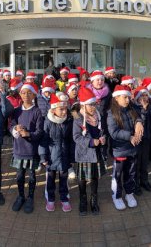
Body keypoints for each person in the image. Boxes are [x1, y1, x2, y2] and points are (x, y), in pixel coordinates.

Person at [108, 85, 143, 210]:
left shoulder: (131, 108)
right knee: (117, 175)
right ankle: (116, 196)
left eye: (129, 97)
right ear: (116, 98)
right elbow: (114, 132)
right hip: (120, 150)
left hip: (132, 149)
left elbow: (138, 115)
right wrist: (130, 136)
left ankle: (129, 194)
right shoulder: (111, 113)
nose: (128, 100)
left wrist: (139, 122)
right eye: (125, 97)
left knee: (131, 173)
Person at [73, 87, 107, 216]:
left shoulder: (99, 116)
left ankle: (94, 199)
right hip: (84, 154)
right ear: (83, 105)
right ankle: (83, 199)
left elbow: (103, 131)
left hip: (96, 154)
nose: (93, 107)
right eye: (90, 105)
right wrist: (92, 142)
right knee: (82, 178)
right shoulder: (78, 119)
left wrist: (103, 139)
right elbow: (76, 137)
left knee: (94, 178)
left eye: (94, 104)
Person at [10, 83, 43, 213]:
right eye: (23, 93)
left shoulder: (37, 111)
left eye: (29, 93)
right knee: (19, 176)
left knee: (32, 176)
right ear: (20, 94)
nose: (26, 95)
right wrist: (15, 128)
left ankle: (30, 197)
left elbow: (40, 132)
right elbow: (11, 125)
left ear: (34, 95)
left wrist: (28, 134)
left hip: (31, 150)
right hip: (19, 149)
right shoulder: (16, 110)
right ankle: (21, 196)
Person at [39, 92, 73, 212]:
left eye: (65, 109)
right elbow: (43, 140)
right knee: (50, 180)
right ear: (53, 110)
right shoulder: (47, 122)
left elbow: (70, 140)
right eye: (61, 109)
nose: (64, 111)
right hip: (51, 157)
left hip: (64, 156)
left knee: (64, 180)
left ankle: (64, 198)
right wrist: (43, 156)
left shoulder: (68, 121)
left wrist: (71, 157)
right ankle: (51, 198)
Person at [132, 86, 151, 195]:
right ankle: (136, 184)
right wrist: (144, 110)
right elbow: (141, 122)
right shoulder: (134, 108)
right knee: (137, 162)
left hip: (147, 138)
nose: (145, 97)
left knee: (145, 162)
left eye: (146, 95)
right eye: (142, 95)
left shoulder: (150, 106)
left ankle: (144, 181)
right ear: (137, 97)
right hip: (138, 139)